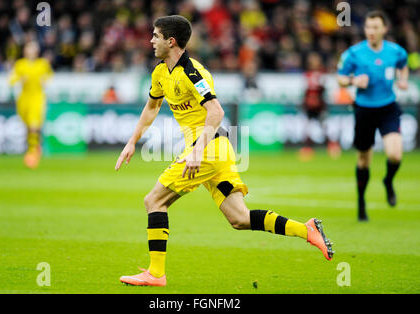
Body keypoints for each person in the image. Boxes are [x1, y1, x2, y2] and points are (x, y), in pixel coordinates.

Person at [115, 15, 333, 287]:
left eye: (156, 36)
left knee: (154, 201)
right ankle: (307, 229)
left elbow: (216, 111)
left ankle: (156, 273)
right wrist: (132, 141)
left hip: (208, 148)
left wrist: (196, 151)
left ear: (171, 42)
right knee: (240, 219)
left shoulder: (193, 72)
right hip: (215, 149)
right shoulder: (160, 72)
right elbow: (152, 107)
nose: (151, 40)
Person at [337, 11, 409, 221]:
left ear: (384, 29)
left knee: (395, 155)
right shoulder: (354, 53)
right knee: (363, 160)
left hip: (388, 107)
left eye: (376, 27)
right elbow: (340, 78)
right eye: (368, 27)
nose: (371, 31)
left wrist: (403, 80)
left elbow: (403, 67)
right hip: (364, 109)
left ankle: (388, 181)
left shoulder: (396, 51)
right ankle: (361, 202)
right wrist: (353, 81)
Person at [9, 41, 53, 168]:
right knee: (28, 127)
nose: (30, 51)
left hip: (37, 98)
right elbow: (11, 80)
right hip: (24, 99)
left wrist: (44, 80)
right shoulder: (20, 64)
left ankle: (33, 153)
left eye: (32, 48)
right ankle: (35, 146)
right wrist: (20, 79)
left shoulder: (42, 64)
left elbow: (49, 77)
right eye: (28, 48)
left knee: (34, 125)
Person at [300, 51, 341, 161]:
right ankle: (307, 148)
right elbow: (305, 91)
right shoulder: (307, 74)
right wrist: (305, 102)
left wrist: (321, 101)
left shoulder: (321, 74)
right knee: (307, 127)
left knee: (323, 126)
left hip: (319, 105)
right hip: (309, 105)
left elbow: (324, 90)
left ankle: (331, 146)